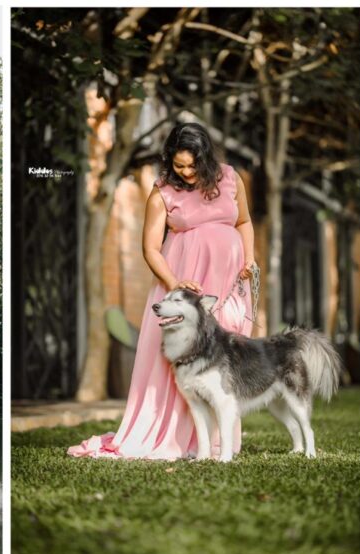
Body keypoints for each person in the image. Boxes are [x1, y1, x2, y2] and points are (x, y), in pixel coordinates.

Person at [68, 122, 256, 459]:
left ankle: (217, 440)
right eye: (179, 165)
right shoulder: (162, 192)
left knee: (223, 359)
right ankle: (176, 436)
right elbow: (151, 248)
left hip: (229, 285)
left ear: (206, 157)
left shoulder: (230, 177)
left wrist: (250, 259)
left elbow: (243, 222)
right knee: (182, 358)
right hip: (185, 283)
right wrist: (174, 283)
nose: (185, 172)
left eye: (192, 165)